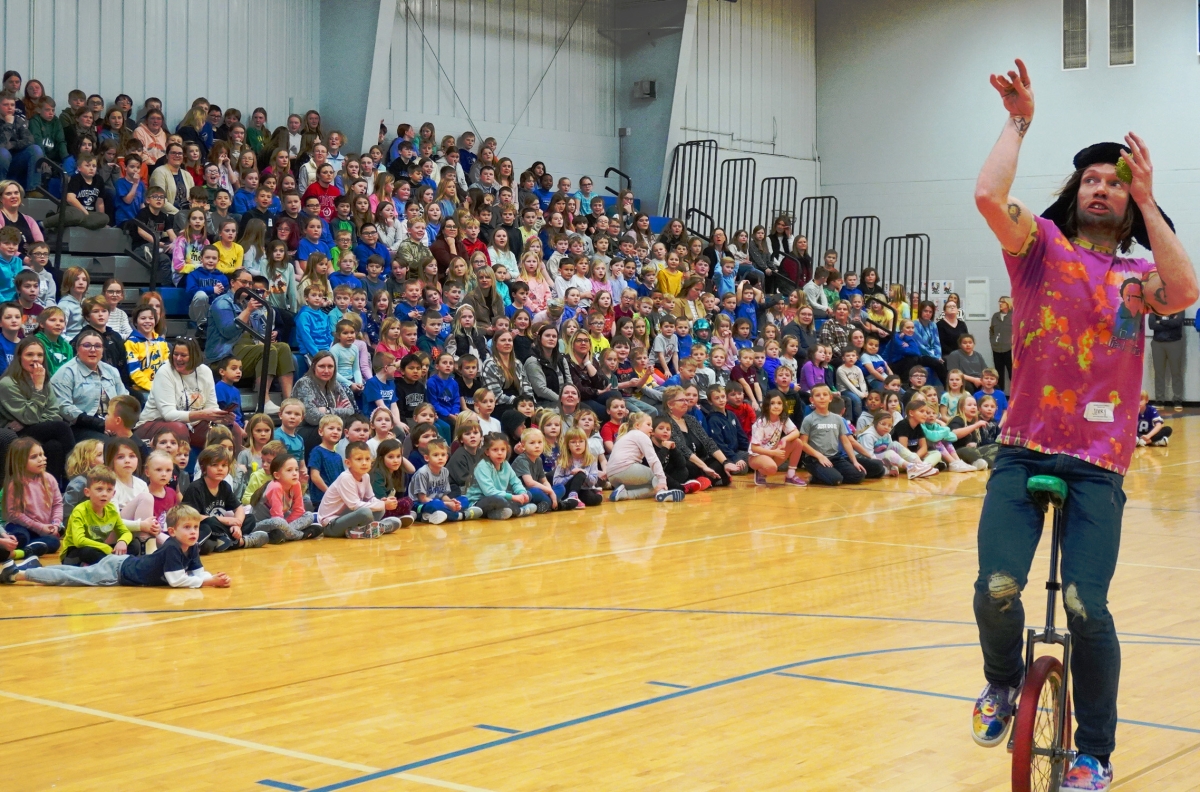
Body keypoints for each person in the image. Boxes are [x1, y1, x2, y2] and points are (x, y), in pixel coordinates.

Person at [968, 59, 1198, 790]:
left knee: (1084, 603)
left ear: (1129, 202)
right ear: (1076, 192)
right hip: (1022, 449)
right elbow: (985, 194)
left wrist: (1153, 201)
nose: (1102, 187)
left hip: (1099, 463)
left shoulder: (1138, 275)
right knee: (998, 585)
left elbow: (1187, 289)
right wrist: (1018, 119)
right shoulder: (1039, 249)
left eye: (1116, 182)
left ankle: (1095, 751)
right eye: (1093, 179)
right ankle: (1004, 684)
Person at [3, 504, 231, 588]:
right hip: (116, 572)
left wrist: (213, 577)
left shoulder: (190, 546)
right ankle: (17, 575)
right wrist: (208, 582)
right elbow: (176, 580)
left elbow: (198, 572)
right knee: (70, 578)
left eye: (195, 527)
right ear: (171, 532)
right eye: (187, 527)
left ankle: (27, 568)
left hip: (121, 564)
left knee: (75, 572)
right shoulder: (172, 547)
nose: (193, 532)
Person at [134, 338, 239, 451]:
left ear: (194, 356)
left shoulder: (205, 371)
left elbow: (211, 407)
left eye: (183, 355)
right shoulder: (165, 371)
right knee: (179, 429)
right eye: (175, 354)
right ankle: (176, 468)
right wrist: (202, 414)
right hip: (154, 423)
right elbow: (168, 414)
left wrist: (221, 418)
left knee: (233, 429)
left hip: (192, 424)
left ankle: (235, 467)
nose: (178, 359)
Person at [0, 337, 76, 485]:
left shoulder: (43, 379)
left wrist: (29, 421)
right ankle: (76, 476)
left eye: (40, 355)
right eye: (29, 354)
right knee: (62, 428)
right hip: (13, 434)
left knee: (54, 446)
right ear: (19, 357)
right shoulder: (7, 384)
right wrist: (38, 388)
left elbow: (55, 413)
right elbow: (29, 417)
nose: (35, 359)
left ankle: (50, 491)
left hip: (32, 428)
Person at [317, 441, 403, 537]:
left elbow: (370, 498)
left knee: (380, 509)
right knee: (366, 512)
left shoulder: (366, 476)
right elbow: (354, 505)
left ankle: (365, 530)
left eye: (367, 459)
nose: (364, 463)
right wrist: (382, 504)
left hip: (349, 518)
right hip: (331, 525)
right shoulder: (346, 477)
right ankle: (375, 528)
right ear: (348, 463)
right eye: (359, 459)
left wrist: (381, 502)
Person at [1148, 311, 1185, 412]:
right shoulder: (1155, 307)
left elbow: (1177, 323)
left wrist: (1160, 322)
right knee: (1159, 372)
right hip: (1157, 343)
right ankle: (1159, 400)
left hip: (1175, 343)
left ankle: (1177, 400)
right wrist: (1169, 322)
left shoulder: (1179, 307)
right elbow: (1151, 325)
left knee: (1176, 372)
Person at [988, 296, 1013, 391]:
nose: (1000, 304)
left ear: (1008, 303)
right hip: (997, 349)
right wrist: (992, 341)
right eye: (999, 302)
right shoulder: (995, 316)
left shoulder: (1013, 315)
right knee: (998, 374)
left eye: (1002, 302)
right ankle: (999, 394)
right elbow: (991, 330)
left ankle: (1015, 395)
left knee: (1012, 373)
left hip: (1010, 349)